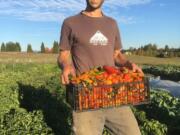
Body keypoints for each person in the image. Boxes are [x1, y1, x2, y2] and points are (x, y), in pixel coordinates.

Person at [58, 0, 143, 135]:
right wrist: (66, 65)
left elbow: (116, 55)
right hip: (85, 97)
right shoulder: (70, 23)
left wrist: (128, 64)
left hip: (114, 94)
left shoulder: (112, 24)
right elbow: (64, 55)